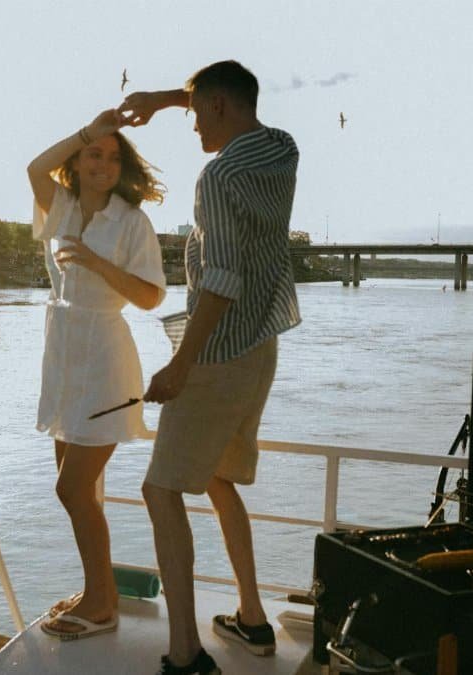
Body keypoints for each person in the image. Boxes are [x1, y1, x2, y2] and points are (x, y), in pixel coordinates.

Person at [121, 60, 301, 675]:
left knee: (160, 489)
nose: (192, 123)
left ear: (221, 108)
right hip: (260, 346)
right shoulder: (282, 149)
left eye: (197, 112)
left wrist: (178, 364)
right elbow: (228, 93)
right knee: (219, 479)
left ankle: (185, 654)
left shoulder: (218, 177)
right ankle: (252, 619)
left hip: (218, 353)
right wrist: (166, 96)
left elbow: (219, 280)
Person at [26, 108, 168, 639]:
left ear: (122, 166)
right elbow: (34, 168)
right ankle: (98, 592)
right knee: (76, 490)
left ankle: (101, 600)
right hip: (63, 356)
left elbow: (152, 296)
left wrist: (93, 260)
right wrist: (90, 128)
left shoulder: (131, 220)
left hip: (106, 358)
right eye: (93, 153)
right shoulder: (59, 204)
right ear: (78, 159)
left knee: (72, 488)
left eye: (112, 156)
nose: (103, 163)